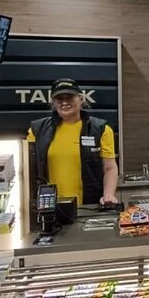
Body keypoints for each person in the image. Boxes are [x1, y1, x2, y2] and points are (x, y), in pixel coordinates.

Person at [27, 78, 119, 206]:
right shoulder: (37, 130)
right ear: (53, 102)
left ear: (80, 99)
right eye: (59, 98)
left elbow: (110, 168)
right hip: (50, 206)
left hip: (89, 206)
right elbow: (30, 171)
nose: (64, 102)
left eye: (69, 97)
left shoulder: (101, 129)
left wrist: (108, 194)